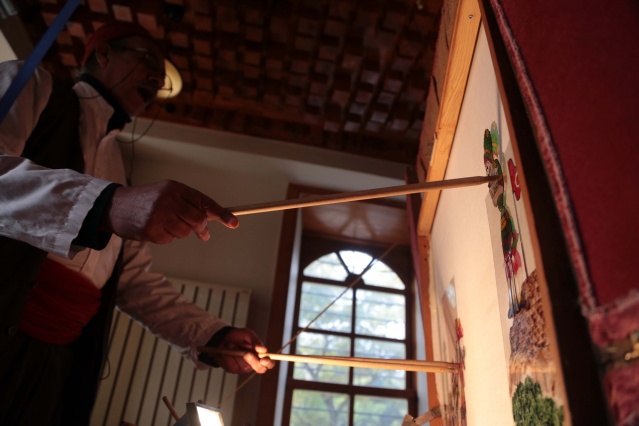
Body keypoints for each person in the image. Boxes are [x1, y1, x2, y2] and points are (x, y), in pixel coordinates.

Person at [0, 22, 274, 424]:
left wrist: (214, 337)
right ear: (103, 54)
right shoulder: (32, 85)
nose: (158, 81)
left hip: (57, 360)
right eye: (148, 61)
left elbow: (132, 281)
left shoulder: (120, 170)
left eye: (162, 78)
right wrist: (107, 204)